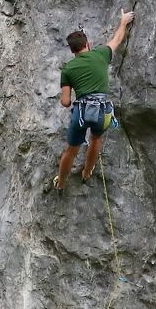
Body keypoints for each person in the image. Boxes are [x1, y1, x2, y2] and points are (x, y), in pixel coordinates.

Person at [53, 10, 134, 193]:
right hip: (102, 111)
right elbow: (117, 39)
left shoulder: (68, 69)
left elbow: (65, 102)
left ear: (72, 50)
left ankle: (61, 183)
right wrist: (123, 22)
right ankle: (87, 171)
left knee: (71, 150)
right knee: (96, 138)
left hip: (81, 113)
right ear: (87, 44)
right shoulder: (101, 54)